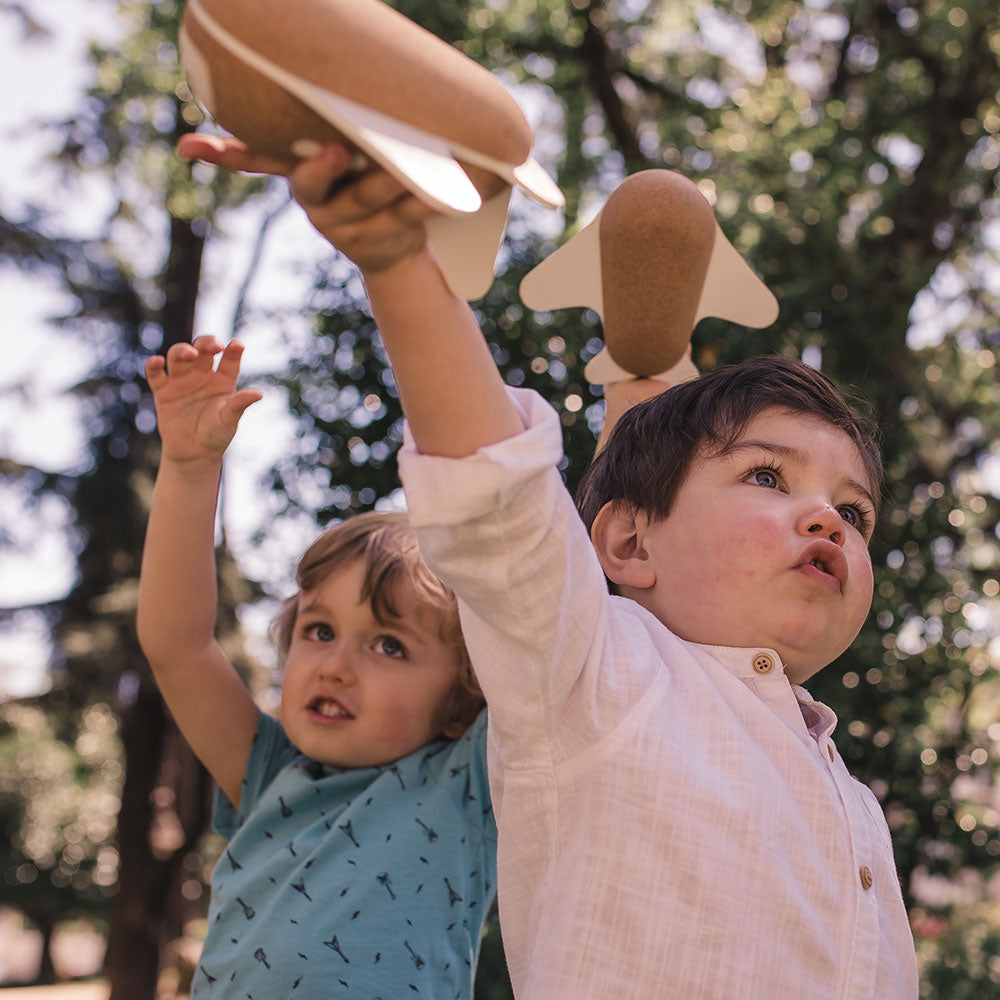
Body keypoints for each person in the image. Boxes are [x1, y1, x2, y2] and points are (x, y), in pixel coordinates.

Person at [177, 133, 920, 998]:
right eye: (767, 475)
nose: (830, 515)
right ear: (631, 546)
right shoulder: (598, 683)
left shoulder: (853, 801)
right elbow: (497, 500)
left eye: (856, 512)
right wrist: (397, 256)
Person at [136, 334, 495, 999]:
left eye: (389, 645)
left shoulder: (466, 780)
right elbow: (178, 644)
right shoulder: (270, 771)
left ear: (462, 701)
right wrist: (189, 469)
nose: (335, 665)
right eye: (320, 630)